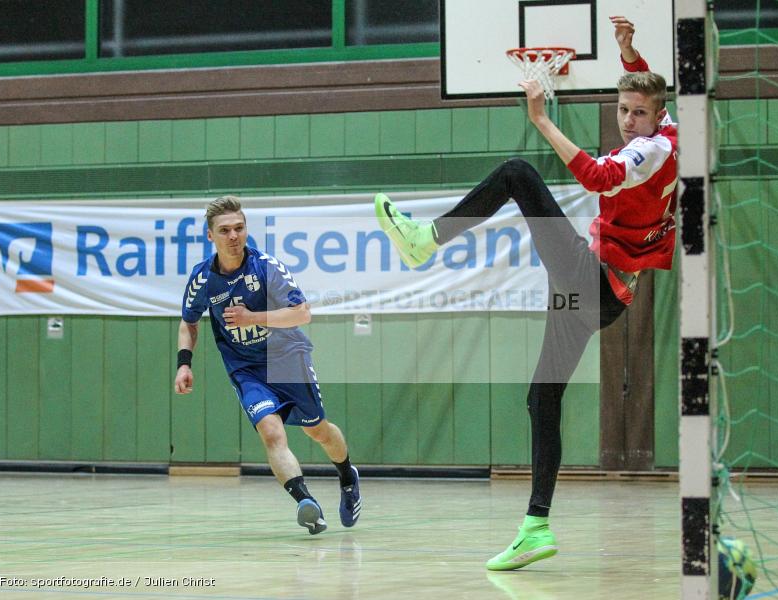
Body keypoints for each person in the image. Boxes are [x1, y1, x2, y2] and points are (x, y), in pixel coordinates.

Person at [374, 16, 676, 570]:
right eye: (622, 110)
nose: (629, 121)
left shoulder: (648, 152)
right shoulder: (667, 129)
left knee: (517, 173)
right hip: (597, 295)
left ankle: (425, 240)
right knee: (542, 398)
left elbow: (596, 176)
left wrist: (540, 118)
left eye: (639, 113)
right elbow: (645, 88)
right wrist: (629, 53)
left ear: (657, 117)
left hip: (593, 281)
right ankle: (536, 527)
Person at [174, 195, 362, 535]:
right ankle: (307, 504)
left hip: (287, 358)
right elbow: (189, 322)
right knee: (271, 432)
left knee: (316, 429)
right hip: (246, 369)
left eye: (239, 228)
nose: (234, 236)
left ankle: (348, 476)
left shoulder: (266, 267)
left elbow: (302, 313)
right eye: (225, 230)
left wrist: (252, 317)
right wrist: (184, 364)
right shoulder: (202, 278)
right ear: (210, 236)